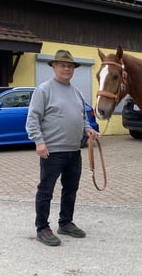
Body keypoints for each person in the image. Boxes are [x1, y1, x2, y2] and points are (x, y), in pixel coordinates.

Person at [26, 49, 100, 246]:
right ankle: (42, 227)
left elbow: (83, 117)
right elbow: (33, 118)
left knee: (71, 189)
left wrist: (88, 130)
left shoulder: (76, 92)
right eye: (62, 65)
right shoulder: (44, 90)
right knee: (46, 190)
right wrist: (39, 142)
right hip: (52, 151)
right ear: (54, 67)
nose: (66, 69)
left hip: (74, 151)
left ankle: (65, 222)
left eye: (69, 66)